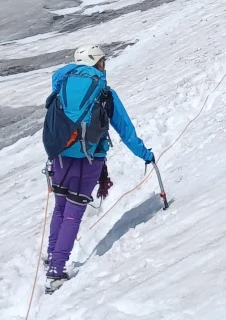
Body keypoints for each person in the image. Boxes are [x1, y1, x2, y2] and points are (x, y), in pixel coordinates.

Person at [44, 45, 154, 285]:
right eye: (102, 62)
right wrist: (146, 155)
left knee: (61, 207)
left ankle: (53, 255)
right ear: (96, 63)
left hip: (60, 155)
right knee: (74, 213)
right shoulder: (105, 93)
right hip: (89, 160)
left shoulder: (61, 85)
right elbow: (126, 131)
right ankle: (56, 270)